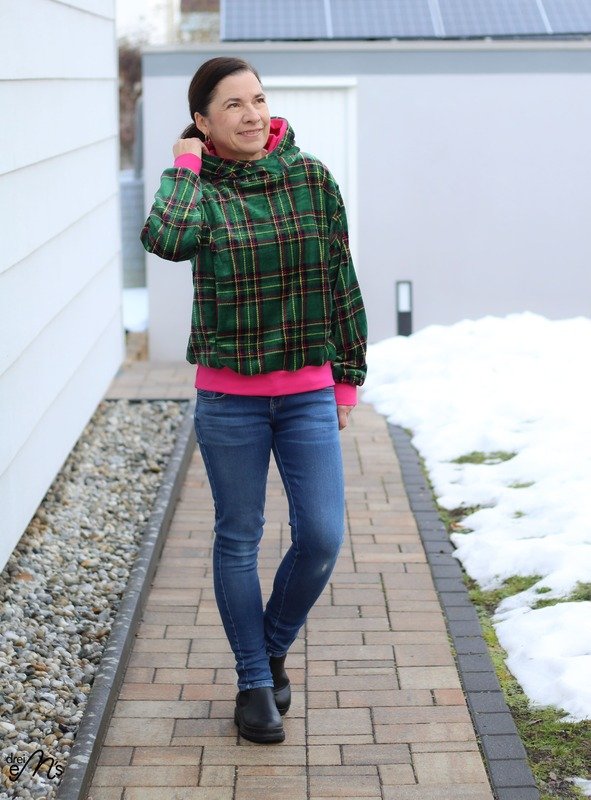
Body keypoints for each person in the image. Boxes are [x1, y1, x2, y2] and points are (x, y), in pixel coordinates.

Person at [141, 56, 367, 744]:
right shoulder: (196, 188)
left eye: (258, 99)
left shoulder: (311, 178)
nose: (251, 114)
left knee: (322, 536)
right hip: (229, 398)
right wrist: (184, 166)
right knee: (238, 537)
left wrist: (347, 376)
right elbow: (166, 240)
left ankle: (270, 650)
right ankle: (252, 683)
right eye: (233, 105)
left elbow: (340, 277)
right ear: (203, 122)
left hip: (306, 392)